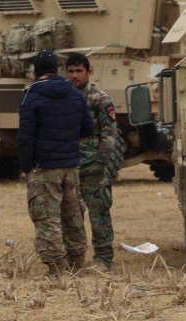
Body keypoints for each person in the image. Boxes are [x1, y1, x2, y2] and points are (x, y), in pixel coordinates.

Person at [17, 50, 93, 276]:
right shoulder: (75, 94)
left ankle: (57, 269)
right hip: (71, 166)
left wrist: (26, 166)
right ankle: (77, 263)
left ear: (35, 72)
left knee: (47, 218)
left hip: (44, 168)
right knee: (73, 216)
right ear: (58, 70)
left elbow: (25, 137)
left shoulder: (32, 96)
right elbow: (87, 129)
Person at [66, 52, 119, 273]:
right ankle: (73, 259)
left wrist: (101, 162)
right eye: (70, 71)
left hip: (93, 166)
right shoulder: (63, 98)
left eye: (79, 71)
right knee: (71, 214)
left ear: (89, 72)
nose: (74, 76)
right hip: (69, 165)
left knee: (99, 213)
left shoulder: (100, 99)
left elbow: (109, 135)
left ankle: (103, 260)